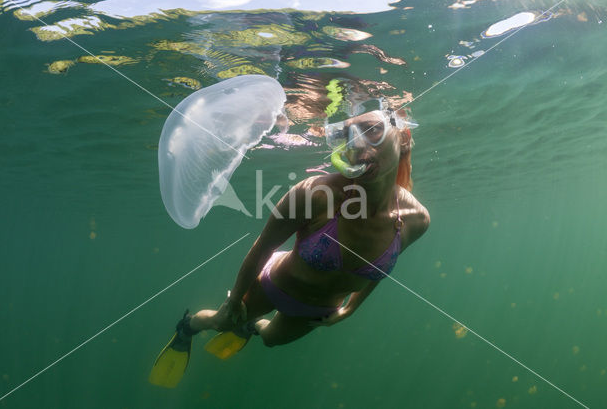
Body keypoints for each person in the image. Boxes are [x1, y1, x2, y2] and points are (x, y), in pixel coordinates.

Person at [149, 108, 430, 386]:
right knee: (224, 322)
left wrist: (351, 309)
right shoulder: (315, 193)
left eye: (372, 130)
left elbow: (380, 271)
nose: (357, 144)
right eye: (347, 136)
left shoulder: (416, 220)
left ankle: (252, 326)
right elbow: (262, 248)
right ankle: (188, 328)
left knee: (271, 340)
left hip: (320, 310)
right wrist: (234, 300)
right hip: (274, 283)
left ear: (403, 137)